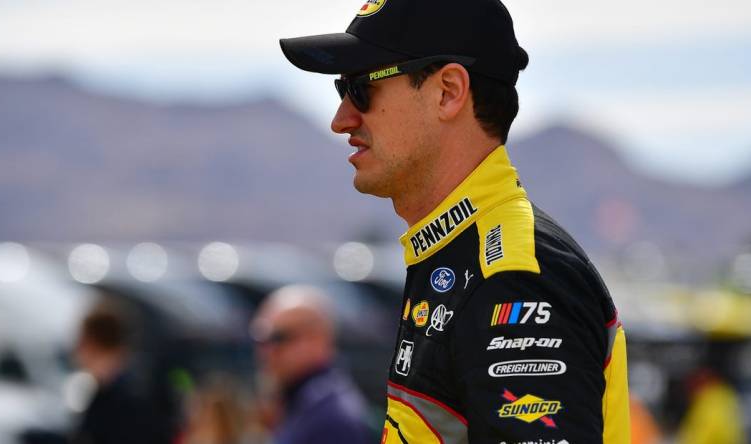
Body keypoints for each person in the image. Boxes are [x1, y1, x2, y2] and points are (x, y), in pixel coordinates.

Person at [279, 0, 631, 442]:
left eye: (362, 87)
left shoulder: (510, 274)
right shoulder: (456, 254)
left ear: (448, 91)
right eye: (340, 89)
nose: (340, 119)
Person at [250, 285, 373, 444]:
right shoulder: (301, 402)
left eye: (278, 338)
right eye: (260, 340)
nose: (267, 351)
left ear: (318, 339)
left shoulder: (330, 417)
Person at [71, 301, 173, 444]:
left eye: (82, 341)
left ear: (93, 344)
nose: (76, 349)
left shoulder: (130, 395)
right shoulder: (109, 388)